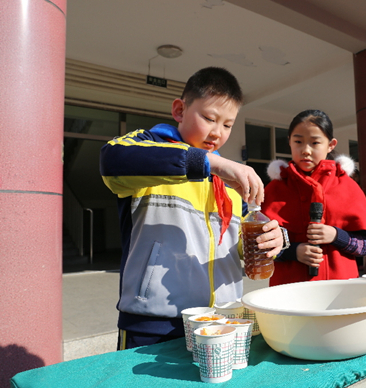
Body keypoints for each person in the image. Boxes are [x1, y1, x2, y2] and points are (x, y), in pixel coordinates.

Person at [100, 67, 285, 350]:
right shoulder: (147, 149)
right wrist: (212, 163)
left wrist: (270, 240)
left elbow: (234, 251)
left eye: (227, 125)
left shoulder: (228, 184)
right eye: (209, 118)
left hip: (222, 320)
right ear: (179, 110)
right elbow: (112, 160)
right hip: (155, 324)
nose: (217, 132)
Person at [261, 109, 366, 286]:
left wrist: (336, 235)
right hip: (288, 290)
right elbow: (260, 246)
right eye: (298, 141)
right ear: (289, 141)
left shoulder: (348, 186)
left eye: (315, 143)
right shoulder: (275, 189)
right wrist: (293, 251)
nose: (305, 150)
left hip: (341, 290)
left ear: (331, 145)